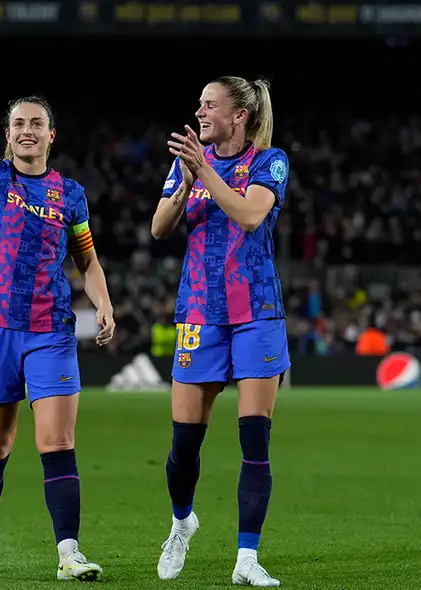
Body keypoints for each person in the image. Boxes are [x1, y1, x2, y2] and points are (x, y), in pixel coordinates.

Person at [0, 13, 116, 580]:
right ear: (8, 134)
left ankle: (68, 553)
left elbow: (86, 259)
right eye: (19, 124)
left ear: (51, 135)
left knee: (57, 441)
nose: (28, 130)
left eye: (37, 123)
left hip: (50, 330)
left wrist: (103, 302)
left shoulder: (71, 195)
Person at [152, 76, 289, 587]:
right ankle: (181, 522)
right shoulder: (187, 164)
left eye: (210, 105)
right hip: (199, 311)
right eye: (200, 103)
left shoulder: (269, 161)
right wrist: (187, 178)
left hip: (256, 311)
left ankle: (246, 558)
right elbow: (158, 227)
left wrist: (204, 170)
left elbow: (250, 215)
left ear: (239, 116)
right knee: (184, 443)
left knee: (255, 438)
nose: (201, 112)